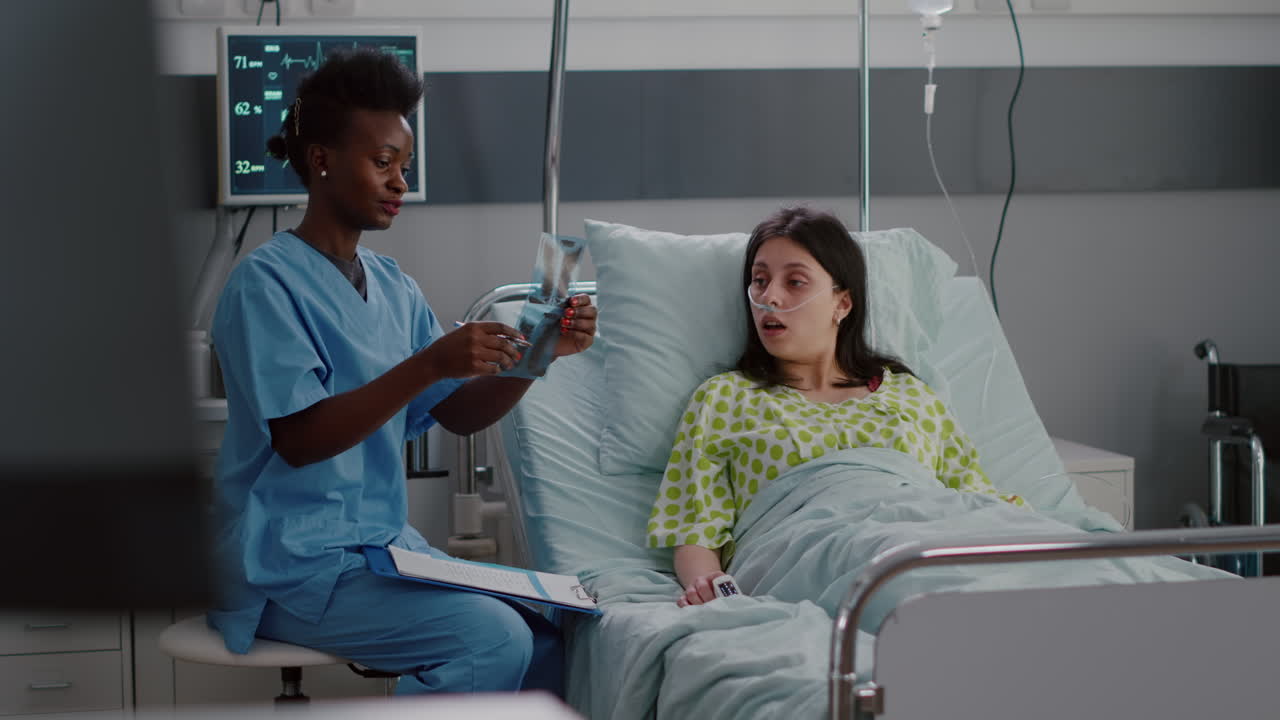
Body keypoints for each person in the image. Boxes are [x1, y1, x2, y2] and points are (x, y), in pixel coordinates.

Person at [207, 48, 596, 694]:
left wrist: (538, 355)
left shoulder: (392, 286)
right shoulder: (264, 285)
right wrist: (429, 363)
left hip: (378, 551)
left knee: (552, 631)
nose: (398, 182)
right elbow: (301, 440)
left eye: (404, 166)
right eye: (382, 162)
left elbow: (454, 410)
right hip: (289, 562)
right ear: (321, 159)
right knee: (491, 638)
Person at [645, 207, 1021, 608]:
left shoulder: (912, 397)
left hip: (930, 537)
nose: (770, 296)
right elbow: (695, 528)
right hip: (812, 556)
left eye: (795, 282)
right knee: (911, 580)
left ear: (842, 304)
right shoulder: (725, 399)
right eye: (759, 280)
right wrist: (711, 587)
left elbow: (975, 499)